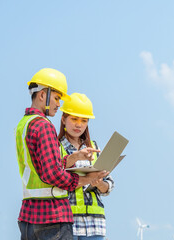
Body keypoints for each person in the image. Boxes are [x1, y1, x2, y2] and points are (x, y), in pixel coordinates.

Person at [16, 68, 109, 240]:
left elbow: (43, 165)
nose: (59, 104)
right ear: (43, 95)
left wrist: (76, 157)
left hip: (29, 216)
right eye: (57, 98)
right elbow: (52, 173)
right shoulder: (44, 126)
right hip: (51, 216)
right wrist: (86, 180)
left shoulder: (24, 124)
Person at [57, 93, 114, 240]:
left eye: (84, 120)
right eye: (74, 119)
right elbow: (54, 175)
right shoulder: (56, 147)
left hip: (95, 225)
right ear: (64, 119)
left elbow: (109, 185)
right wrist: (75, 158)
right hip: (67, 225)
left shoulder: (94, 147)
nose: (79, 124)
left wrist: (100, 184)